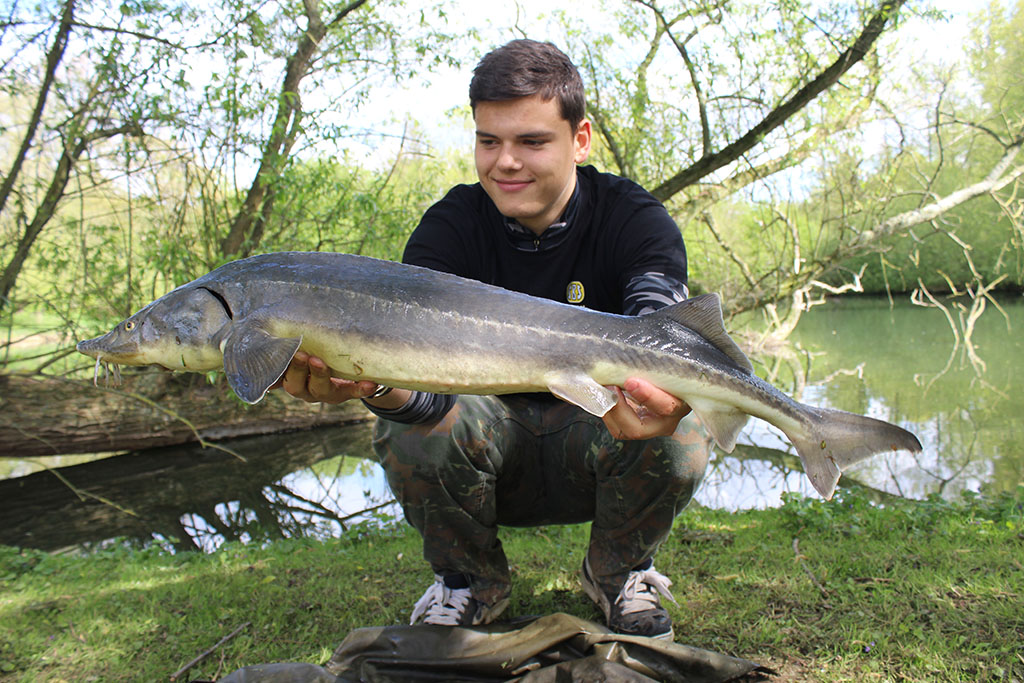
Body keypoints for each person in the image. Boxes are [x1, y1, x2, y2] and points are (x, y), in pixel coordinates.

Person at [277, 39, 711, 640]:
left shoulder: (634, 218)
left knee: (683, 424)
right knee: (405, 429)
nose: (504, 162)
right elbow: (426, 400)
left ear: (579, 139)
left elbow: (658, 318)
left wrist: (661, 392)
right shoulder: (448, 231)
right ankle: (468, 583)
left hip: (600, 432)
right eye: (489, 141)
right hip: (489, 445)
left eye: (531, 141)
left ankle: (620, 573)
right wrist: (373, 386)